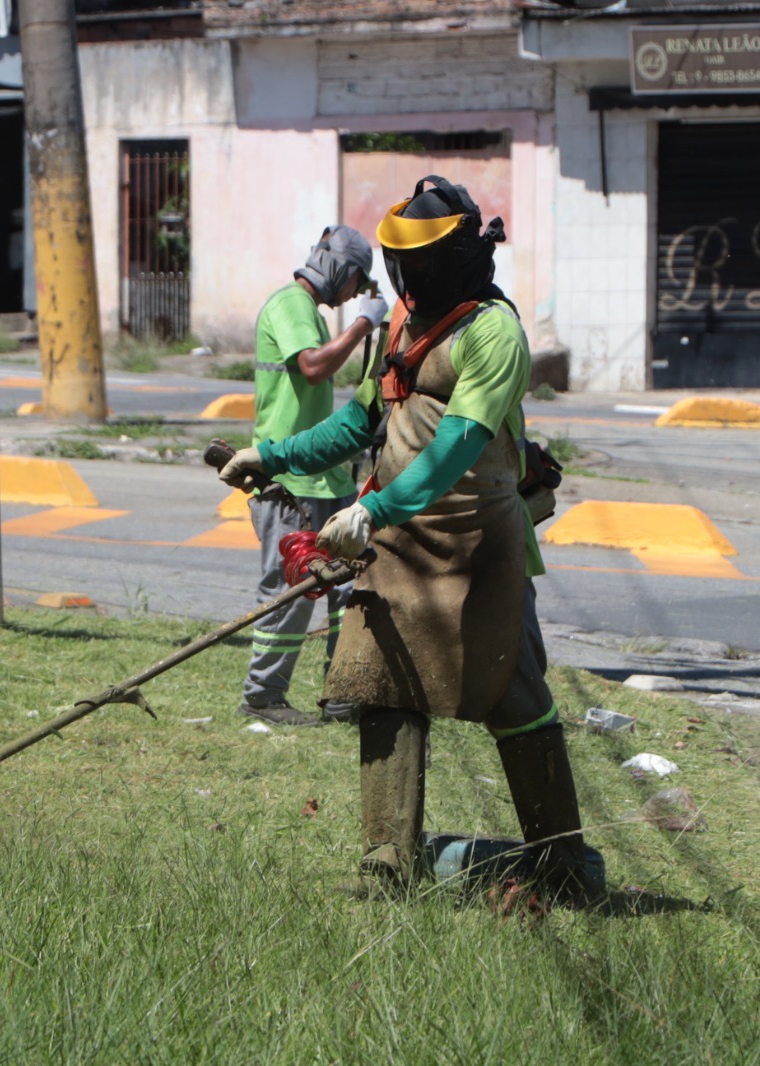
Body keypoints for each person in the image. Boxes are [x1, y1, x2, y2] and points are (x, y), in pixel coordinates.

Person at [220, 176, 595, 905]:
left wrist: (372, 510)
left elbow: (458, 445)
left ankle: (563, 867)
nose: (406, 277)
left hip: (481, 547)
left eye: (417, 263)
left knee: (515, 699)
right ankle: (388, 866)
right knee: (381, 688)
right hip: (398, 544)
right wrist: (273, 455)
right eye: (401, 263)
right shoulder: (401, 324)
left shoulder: (493, 332)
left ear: (455, 257)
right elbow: (358, 423)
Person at [239, 225, 389, 727]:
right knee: (293, 593)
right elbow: (311, 368)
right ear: (341, 270)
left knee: (347, 589)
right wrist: (364, 324)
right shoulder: (291, 305)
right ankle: (263, 697)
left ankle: (343, 695)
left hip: (325, 478)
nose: (354, 293)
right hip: (289, 481)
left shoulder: (310, 314)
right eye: (357, 281)